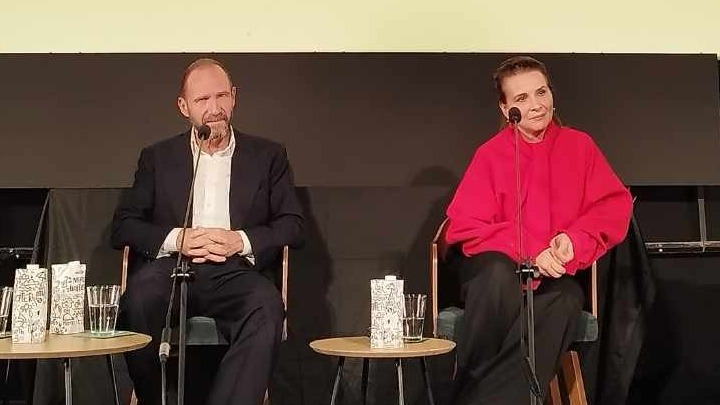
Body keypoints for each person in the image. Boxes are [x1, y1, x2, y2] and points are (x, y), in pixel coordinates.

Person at [111, 58, 304, 405]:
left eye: (221, 96)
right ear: (184, 107)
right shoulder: (157, 157)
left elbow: (293, 224)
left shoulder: (268, 156)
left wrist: (239, 240)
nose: (214, 109)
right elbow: (124, 225)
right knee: (137, 300)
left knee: (266, 307)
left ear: (234, 97)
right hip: (173, 268)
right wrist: (177, 238)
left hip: (235, 271)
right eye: (202, 100)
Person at [444, 55, 632, 405]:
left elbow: (613, 206)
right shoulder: (490, 154)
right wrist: (531, 251)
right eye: (522, 98)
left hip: (553, 277)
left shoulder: (580, 146)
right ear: (505, 109)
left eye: (541, 92)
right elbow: (465, 226)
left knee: (566, 300)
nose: (536, 105)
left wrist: (574, 240)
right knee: (498, 277)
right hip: (495, 274)